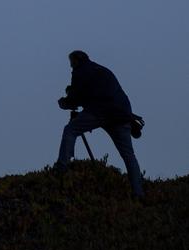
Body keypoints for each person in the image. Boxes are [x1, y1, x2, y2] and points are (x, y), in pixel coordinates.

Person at [55, 50, 144, 198]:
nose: (71, 67)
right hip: (122, 114)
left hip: (99, 111)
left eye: (71, 64)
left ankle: (62, 169)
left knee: (70, 130)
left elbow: (75, 98)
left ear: (75, 61)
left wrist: (64, 103)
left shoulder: (80, 71)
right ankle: (138, 193)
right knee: (128, 155)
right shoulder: (102, 70)